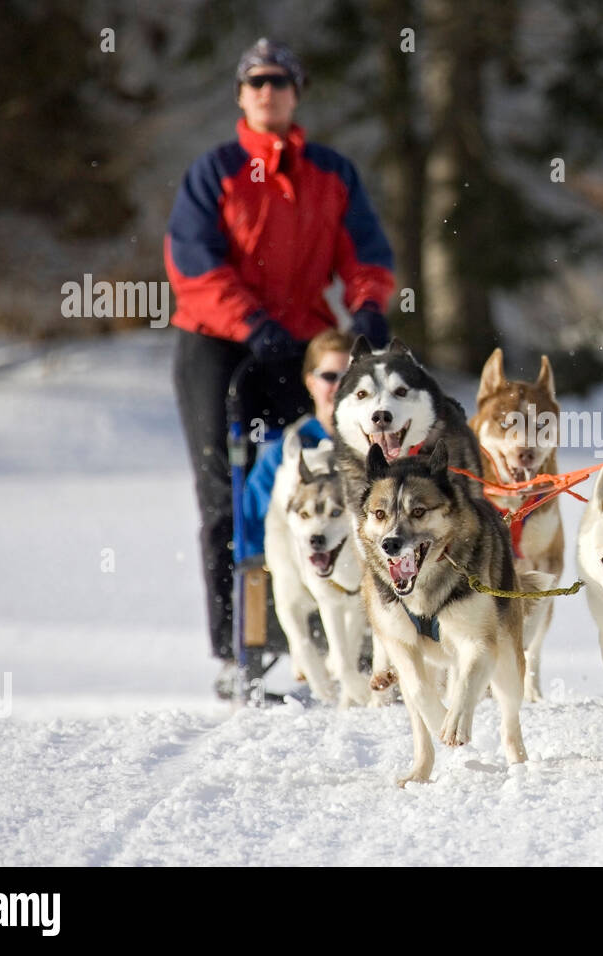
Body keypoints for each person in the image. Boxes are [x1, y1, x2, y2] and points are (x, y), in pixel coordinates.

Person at [166, 38, 395, 698]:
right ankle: (240, 648)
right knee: (226, 493)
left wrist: (369, 307)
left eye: (280, 80)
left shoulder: (330, 172)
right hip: (219, 342)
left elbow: (365, 253)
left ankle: (345, 635)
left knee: (332, 469)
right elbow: (193, 264)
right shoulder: (215, 172)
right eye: (255, 81)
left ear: (296, 92)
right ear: (241, 94)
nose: (267, 91)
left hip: (298, 341)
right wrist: (250, 322)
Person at [240, 328, 352, 552]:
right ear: (311, 382)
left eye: (349, 377)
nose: (340, 387)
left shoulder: (376, 446)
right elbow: (252, 518)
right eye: (330, 377)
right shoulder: (289, 449)